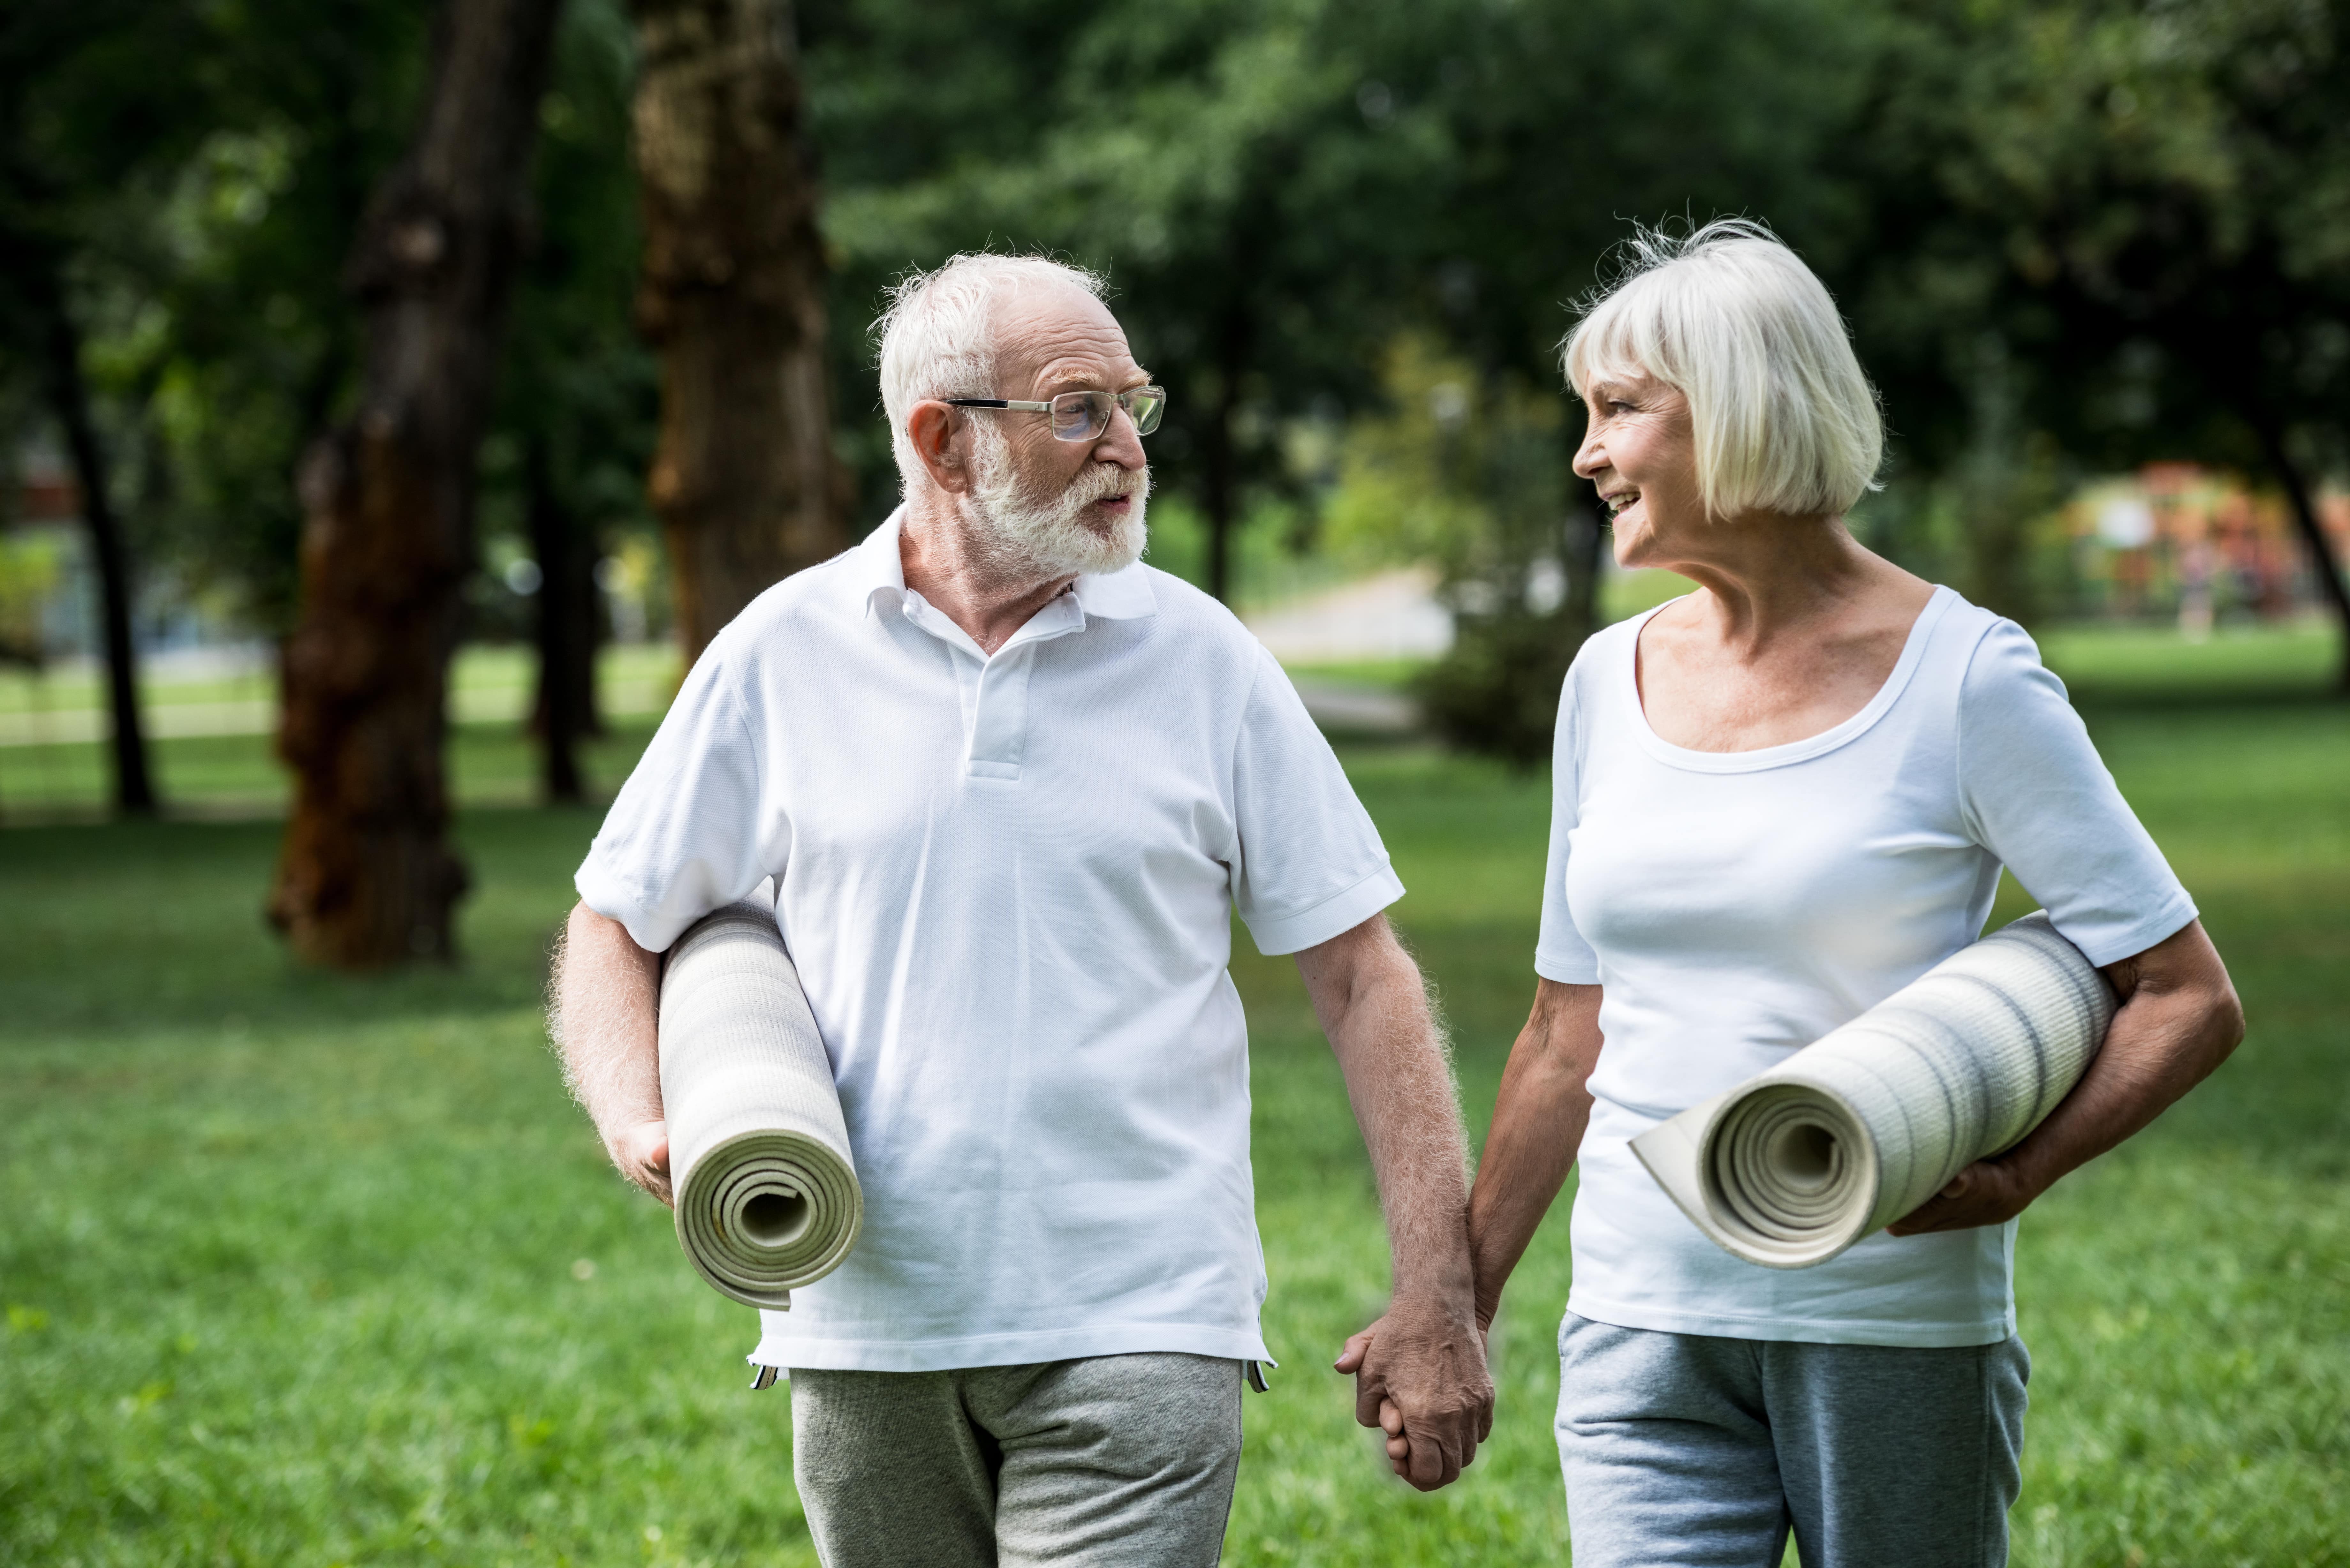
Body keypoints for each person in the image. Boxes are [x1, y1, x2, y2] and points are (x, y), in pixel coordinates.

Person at [552, 253, 1492, 1568]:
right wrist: (635, 1114)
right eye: (1076, 409)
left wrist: (1437, 1295)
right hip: (864, 1322)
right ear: (941, 441)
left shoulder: (1203, 658)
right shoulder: (780, 651)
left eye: (1131, 404)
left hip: (1141, 1317)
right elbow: (617, 921)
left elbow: (1361, 975)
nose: (1125, 446)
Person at [1341, 221, 2243, 1564]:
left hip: (1885, 1325)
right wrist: (1446, 1305)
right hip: (1639, 1322)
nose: (1586, 454)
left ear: (1742, 410)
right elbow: (1563, 1030)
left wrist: (2021, 1173)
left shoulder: (1968, 679)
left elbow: (2184, 996)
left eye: (1619, 412)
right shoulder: (1605, 679)